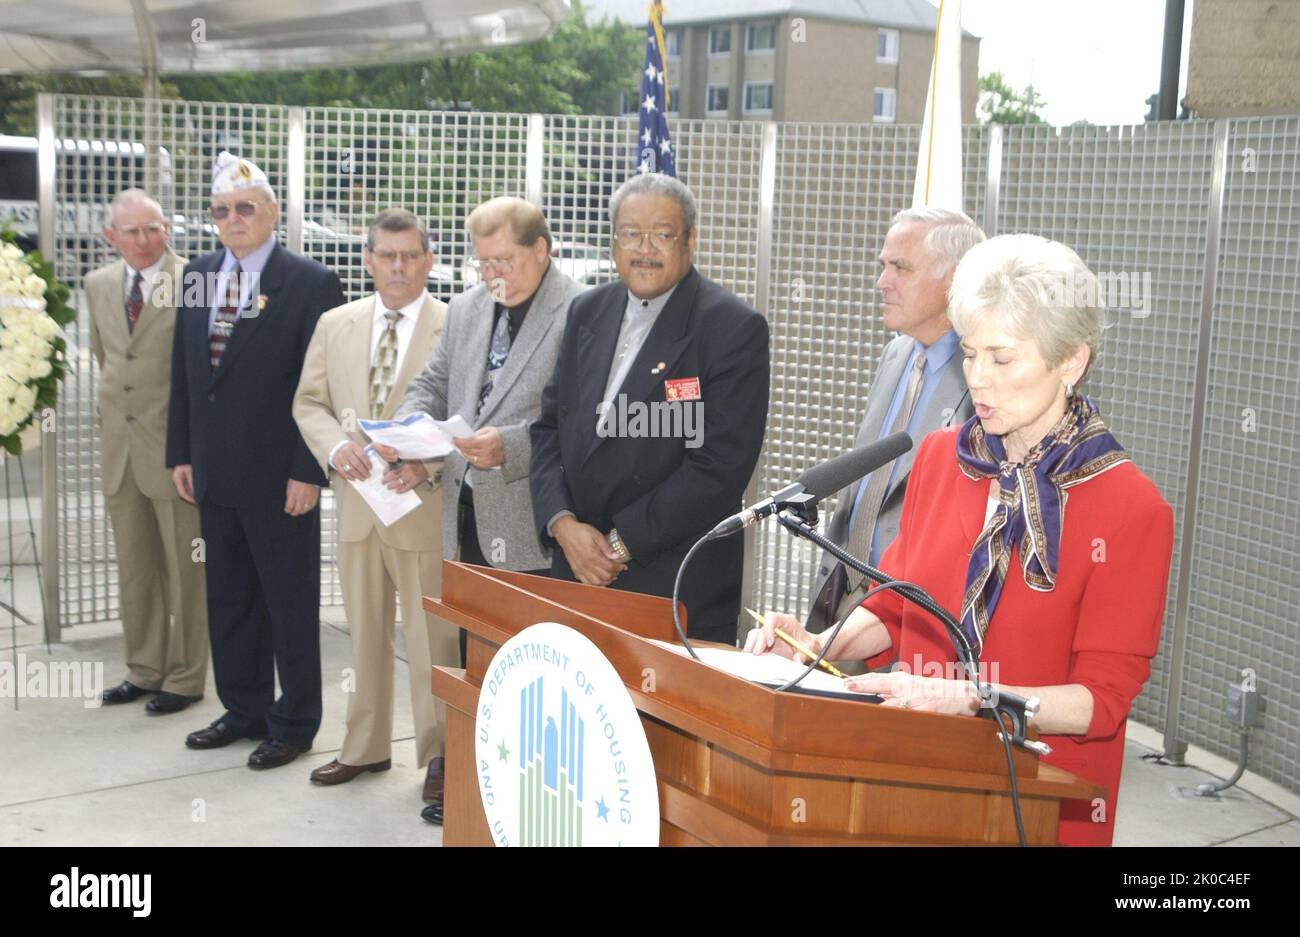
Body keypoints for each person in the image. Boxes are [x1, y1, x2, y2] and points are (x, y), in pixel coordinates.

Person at [746, 234, 1174, 847]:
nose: (978, 379)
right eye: (969, 354)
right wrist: (817, 645)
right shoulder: (944, 456)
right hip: (924, 778)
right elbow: (898, 604)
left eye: (1002, 359)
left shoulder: (1131, 510)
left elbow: (1099, 703)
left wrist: (975, 697)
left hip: (1039, 799)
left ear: (1071, 362)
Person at [382, 197, 582, 822]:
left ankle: (533, 799)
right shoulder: (468, 308)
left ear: (542, 249)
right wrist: (411, 429)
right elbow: (435, 380)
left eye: (505, 260)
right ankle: (476, 780)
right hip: (465, 515)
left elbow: (577, 419)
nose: (492, 273)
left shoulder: (579, 311)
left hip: (534, 523)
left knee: (532, 662)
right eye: (482, 260)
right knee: (477, 653)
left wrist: (511, 447)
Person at [529, 173, 771, 644]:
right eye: (630, 234)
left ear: (690, 240)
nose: (645, 249)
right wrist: (563, 526)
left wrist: (616, 545)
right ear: (613, 240)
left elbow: (718, 469)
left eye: (662, 234)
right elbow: (549, 429)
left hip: (669, 583)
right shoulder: (586, 311)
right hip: (573, 571)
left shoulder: (731, 328)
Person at [166, 152, 345, 769]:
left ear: (271, 211)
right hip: (213, 474)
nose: (234, 218)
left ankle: (294, 722)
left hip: (280, 478)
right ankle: (243, 709)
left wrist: (308, 469)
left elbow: (322, 386)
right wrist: (180, 453)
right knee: (229, 598)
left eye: (246, 207)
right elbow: (186, 372)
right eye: (222, 210)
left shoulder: (310, 281)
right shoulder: (196, 272)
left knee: (288, 603)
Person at [293, 208, 456, 817]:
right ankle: (364, 747)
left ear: (428, 260)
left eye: (409, 255)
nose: (397, 266)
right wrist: (333, 448)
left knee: (432, 640)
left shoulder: (457, 322)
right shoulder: (336, 323)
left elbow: (467, 411)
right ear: (367, 259)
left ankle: (441, 757)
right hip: (358, 507)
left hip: (422, 508)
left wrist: (429, 464)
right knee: (363, 634)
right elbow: (309, 401)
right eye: (385, 255)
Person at [806, 208, 984, 634]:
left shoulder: (983, 376)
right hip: (843, 594)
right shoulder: (897, 353)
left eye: (900, 268)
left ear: (955, 279)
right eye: (882, 266)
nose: (881, 282)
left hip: (916, 613)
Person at [87, 189, 207, 714]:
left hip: (175, 454)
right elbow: (106, 357)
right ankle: (143, 669)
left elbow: (205, 370)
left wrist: (194, 447)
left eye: (152, 228)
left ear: (168, 230)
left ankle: (184, 678)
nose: (143, 240)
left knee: (187, 571)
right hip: (121, 454)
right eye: (131, 231)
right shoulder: (96, 285)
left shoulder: (195, 282)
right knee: (135, 569)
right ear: (110, 236)